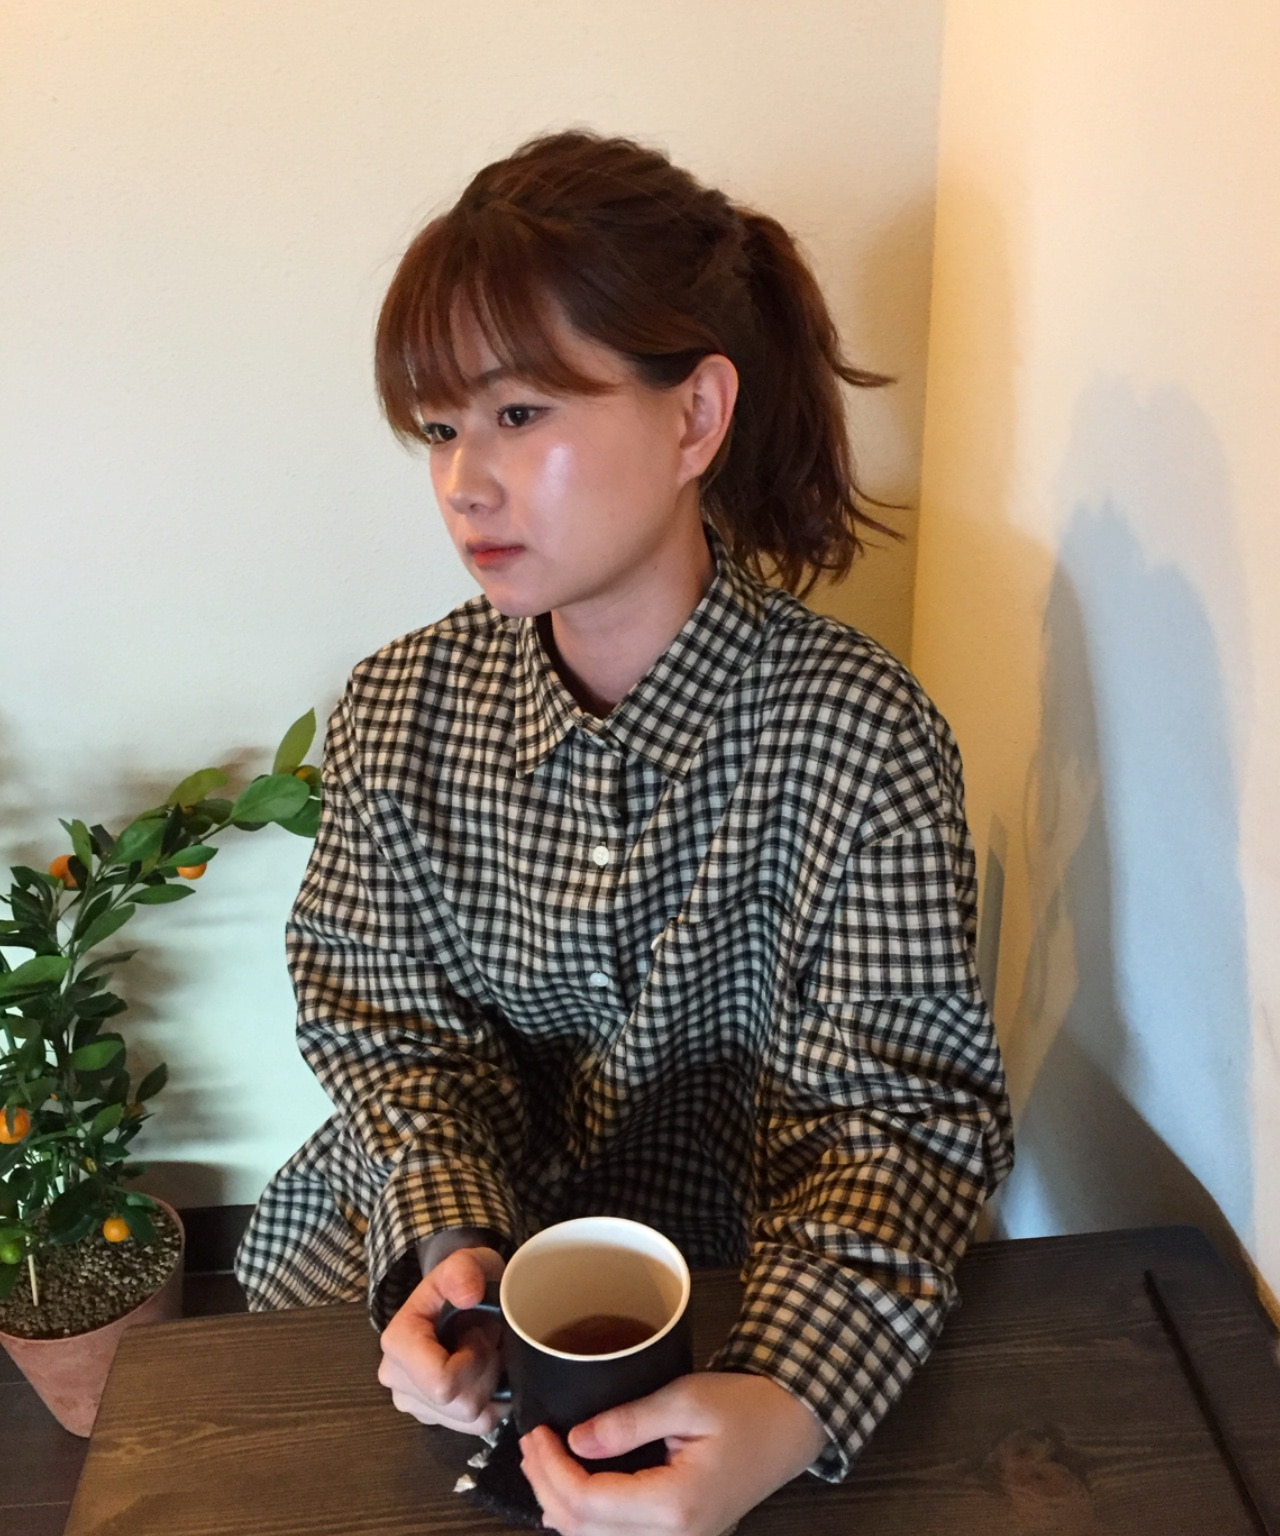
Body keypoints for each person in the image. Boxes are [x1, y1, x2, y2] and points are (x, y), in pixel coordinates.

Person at [235, 130, 1013, 1536]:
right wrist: (451, 1244)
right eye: (439, 429)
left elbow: (898, 1119)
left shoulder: (860, 735)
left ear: (695, 416)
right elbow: (386, 1028)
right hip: (416, 1288)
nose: (464, 482)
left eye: (520, 411)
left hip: (737, 1293)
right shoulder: (399, 708)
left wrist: (788, 1396)